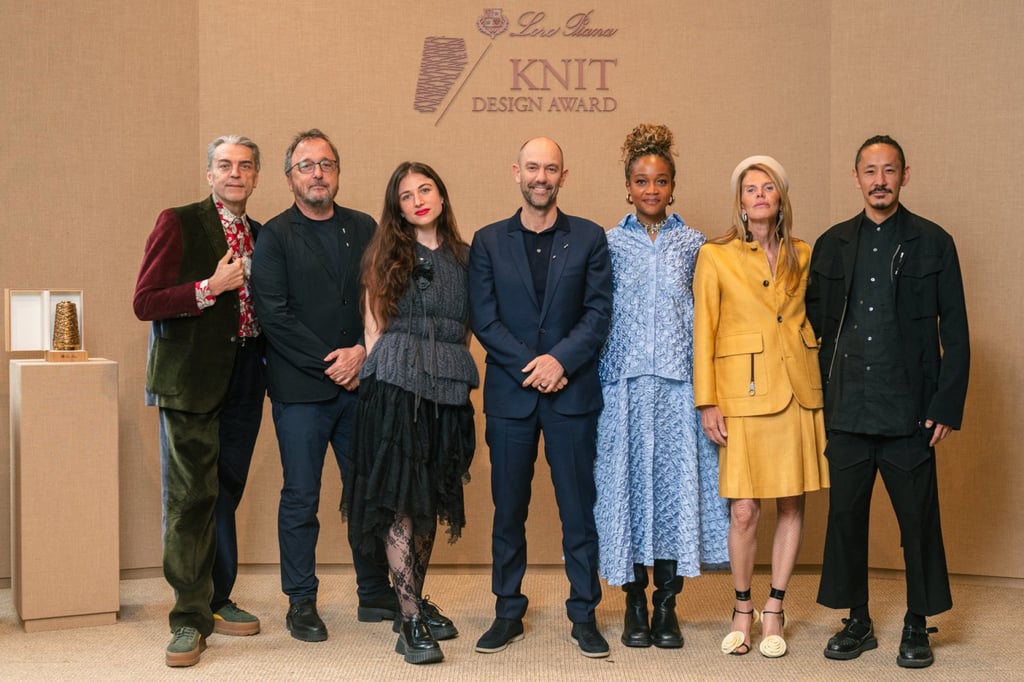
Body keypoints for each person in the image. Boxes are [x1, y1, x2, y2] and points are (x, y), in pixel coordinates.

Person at [807, 135, 969, 669]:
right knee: (846, 519)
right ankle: (857, 620)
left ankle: (917, 624)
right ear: (856, 177)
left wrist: (946, 404)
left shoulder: (934, 242)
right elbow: (812, 329)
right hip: (848, 407)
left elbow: (958, 331)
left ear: (905, 175)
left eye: (889, 170)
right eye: (870, 171)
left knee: (918, 521)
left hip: (910, 410)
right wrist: (818, 401)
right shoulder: (831, 244)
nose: (880, 180)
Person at [468, 137, 613, 659]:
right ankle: (507, 610)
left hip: (572, 396)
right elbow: (484, 318)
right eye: (533, 168)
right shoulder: (487, 241)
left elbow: (598, 314)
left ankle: (584, 614)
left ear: (563, 176)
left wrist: (561, 362)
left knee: (579, 511)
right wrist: (535, 365)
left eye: (550, 169)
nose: (541, 177)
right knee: (508, 510)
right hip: (511, 397)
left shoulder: (591, 237)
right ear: (516, 172)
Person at [251, 129, 396, 643]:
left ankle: (375, 592)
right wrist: (332, 362)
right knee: (301, 498)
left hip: (361, 386)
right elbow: (274, 315)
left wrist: (362, 351)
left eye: (326, 164)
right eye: (307, 165)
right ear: (290, 176)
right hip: (301, 393)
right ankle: (301, 601)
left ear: (338, 172)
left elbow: (382, 298)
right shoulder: (273, 236)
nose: (318, 173)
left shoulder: (363, 227)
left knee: (367, 494)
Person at [594, 123, 730, 651]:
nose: (651, 190)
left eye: (661, 181)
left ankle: (667, 605)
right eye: (641, 181)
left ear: (673, 186)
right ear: (627, 186)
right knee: (627, 494)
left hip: (678, 390)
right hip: (622, 388)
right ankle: (632, 603)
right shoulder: (606, 244)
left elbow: (712, 321)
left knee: (674, 495)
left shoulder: (697, 247)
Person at [133, 134, 266, 667]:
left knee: (225, 492)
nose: (235, 174)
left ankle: (217, 598)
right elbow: (145, 301)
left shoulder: (260, 234)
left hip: (246, 378)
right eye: (224, 165)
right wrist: (209, 286)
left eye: (245, 166)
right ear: (209, 174)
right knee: (190, 498)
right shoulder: (179, 221)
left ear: (255, 177)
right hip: (189, 381)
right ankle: (187, 619)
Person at [341, 161, 478, 665]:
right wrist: (378, 384)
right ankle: (411, 620)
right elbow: (373, 330)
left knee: (428, 501)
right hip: (396, 383)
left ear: (441, 197)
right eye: (406, 195)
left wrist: (452, 372)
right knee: (401, 502)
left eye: (426, 190)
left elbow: (464, 328)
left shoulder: (466, 257)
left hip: (447, 387)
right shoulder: (386, 253)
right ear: (396, 206)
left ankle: (412, 602)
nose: (418, 199)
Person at [693, 155, 828, 659]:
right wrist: (707, 401)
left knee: (792, 503)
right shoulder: (716, 255)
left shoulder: (803, 252)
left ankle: (776, 607)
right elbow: (702, 330)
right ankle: (743, 608)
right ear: (741, 201)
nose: (759, 195)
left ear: (780, 196)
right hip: (742, 393)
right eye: (750, 188)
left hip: (797, 388)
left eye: (768, 187)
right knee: (745, 510)